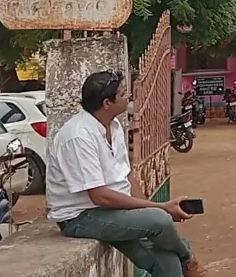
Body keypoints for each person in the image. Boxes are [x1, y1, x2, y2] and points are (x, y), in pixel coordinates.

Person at [47, 70, 205, 277]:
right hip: (81, 216)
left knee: (167, 259)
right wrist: (161, 208)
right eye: (122, 94)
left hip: (111, 211)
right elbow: (99, 196)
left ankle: (182, 260)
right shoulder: (78, 137)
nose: (128, 96)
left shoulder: (113, 126)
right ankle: (188, 259)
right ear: (107, 103)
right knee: (160, 220)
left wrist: (144, 211)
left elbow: (126, 177)